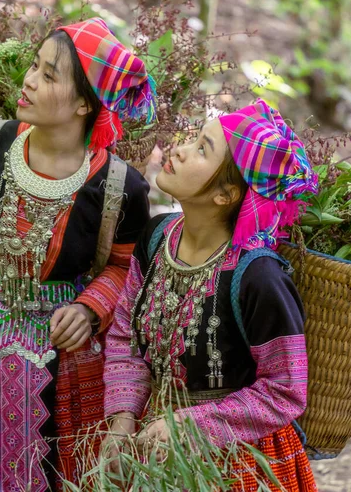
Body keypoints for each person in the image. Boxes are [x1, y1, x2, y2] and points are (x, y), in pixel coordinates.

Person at [0, 17, 155, 492]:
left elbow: (124, 270)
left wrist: (90, 309)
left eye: (49, 75)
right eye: (33, 65)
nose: (28, 79)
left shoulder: (119, 189)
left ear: (86, 102)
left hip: (54, 358)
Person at [102, 99, 319, 491]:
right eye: (194, 138)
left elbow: (286, 391)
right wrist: (122, 418)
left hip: (238, 464)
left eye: (203, 149)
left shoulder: (258, 278)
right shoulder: (155, 238)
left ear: (226, 195)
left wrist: (191, 425)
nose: (180, 149)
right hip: (155, 446)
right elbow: (124, 335)